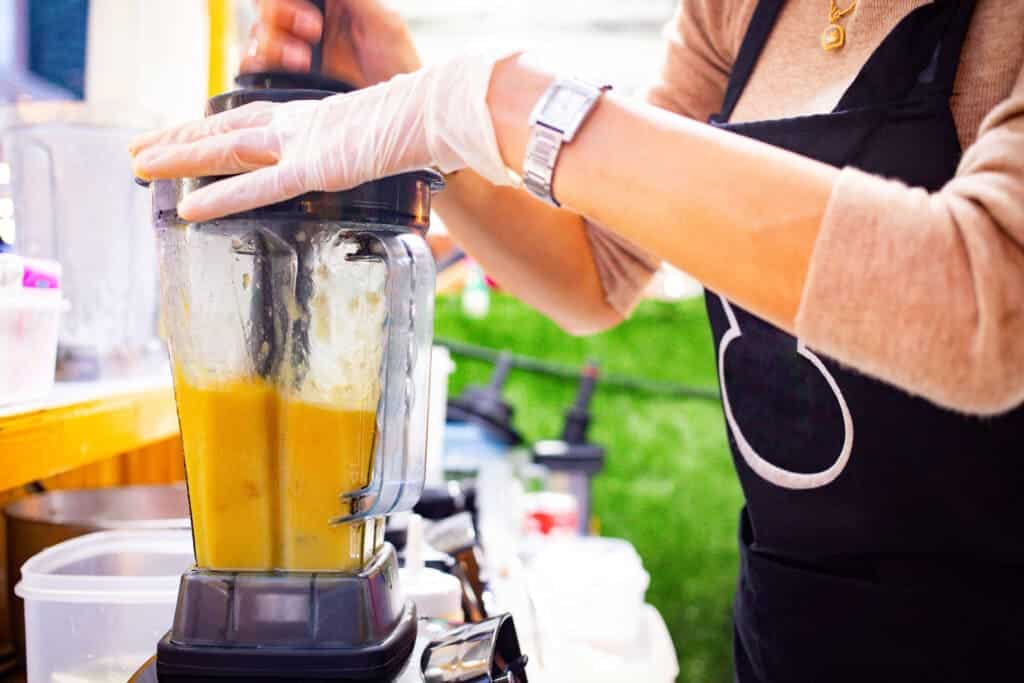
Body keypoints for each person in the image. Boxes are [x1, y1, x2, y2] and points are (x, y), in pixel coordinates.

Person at [131, 1, 1024, 680]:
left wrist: (492, 103)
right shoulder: (738, 10)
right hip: (793, 630)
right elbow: (598, 265)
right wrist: (406, 91)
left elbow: (988, 297)